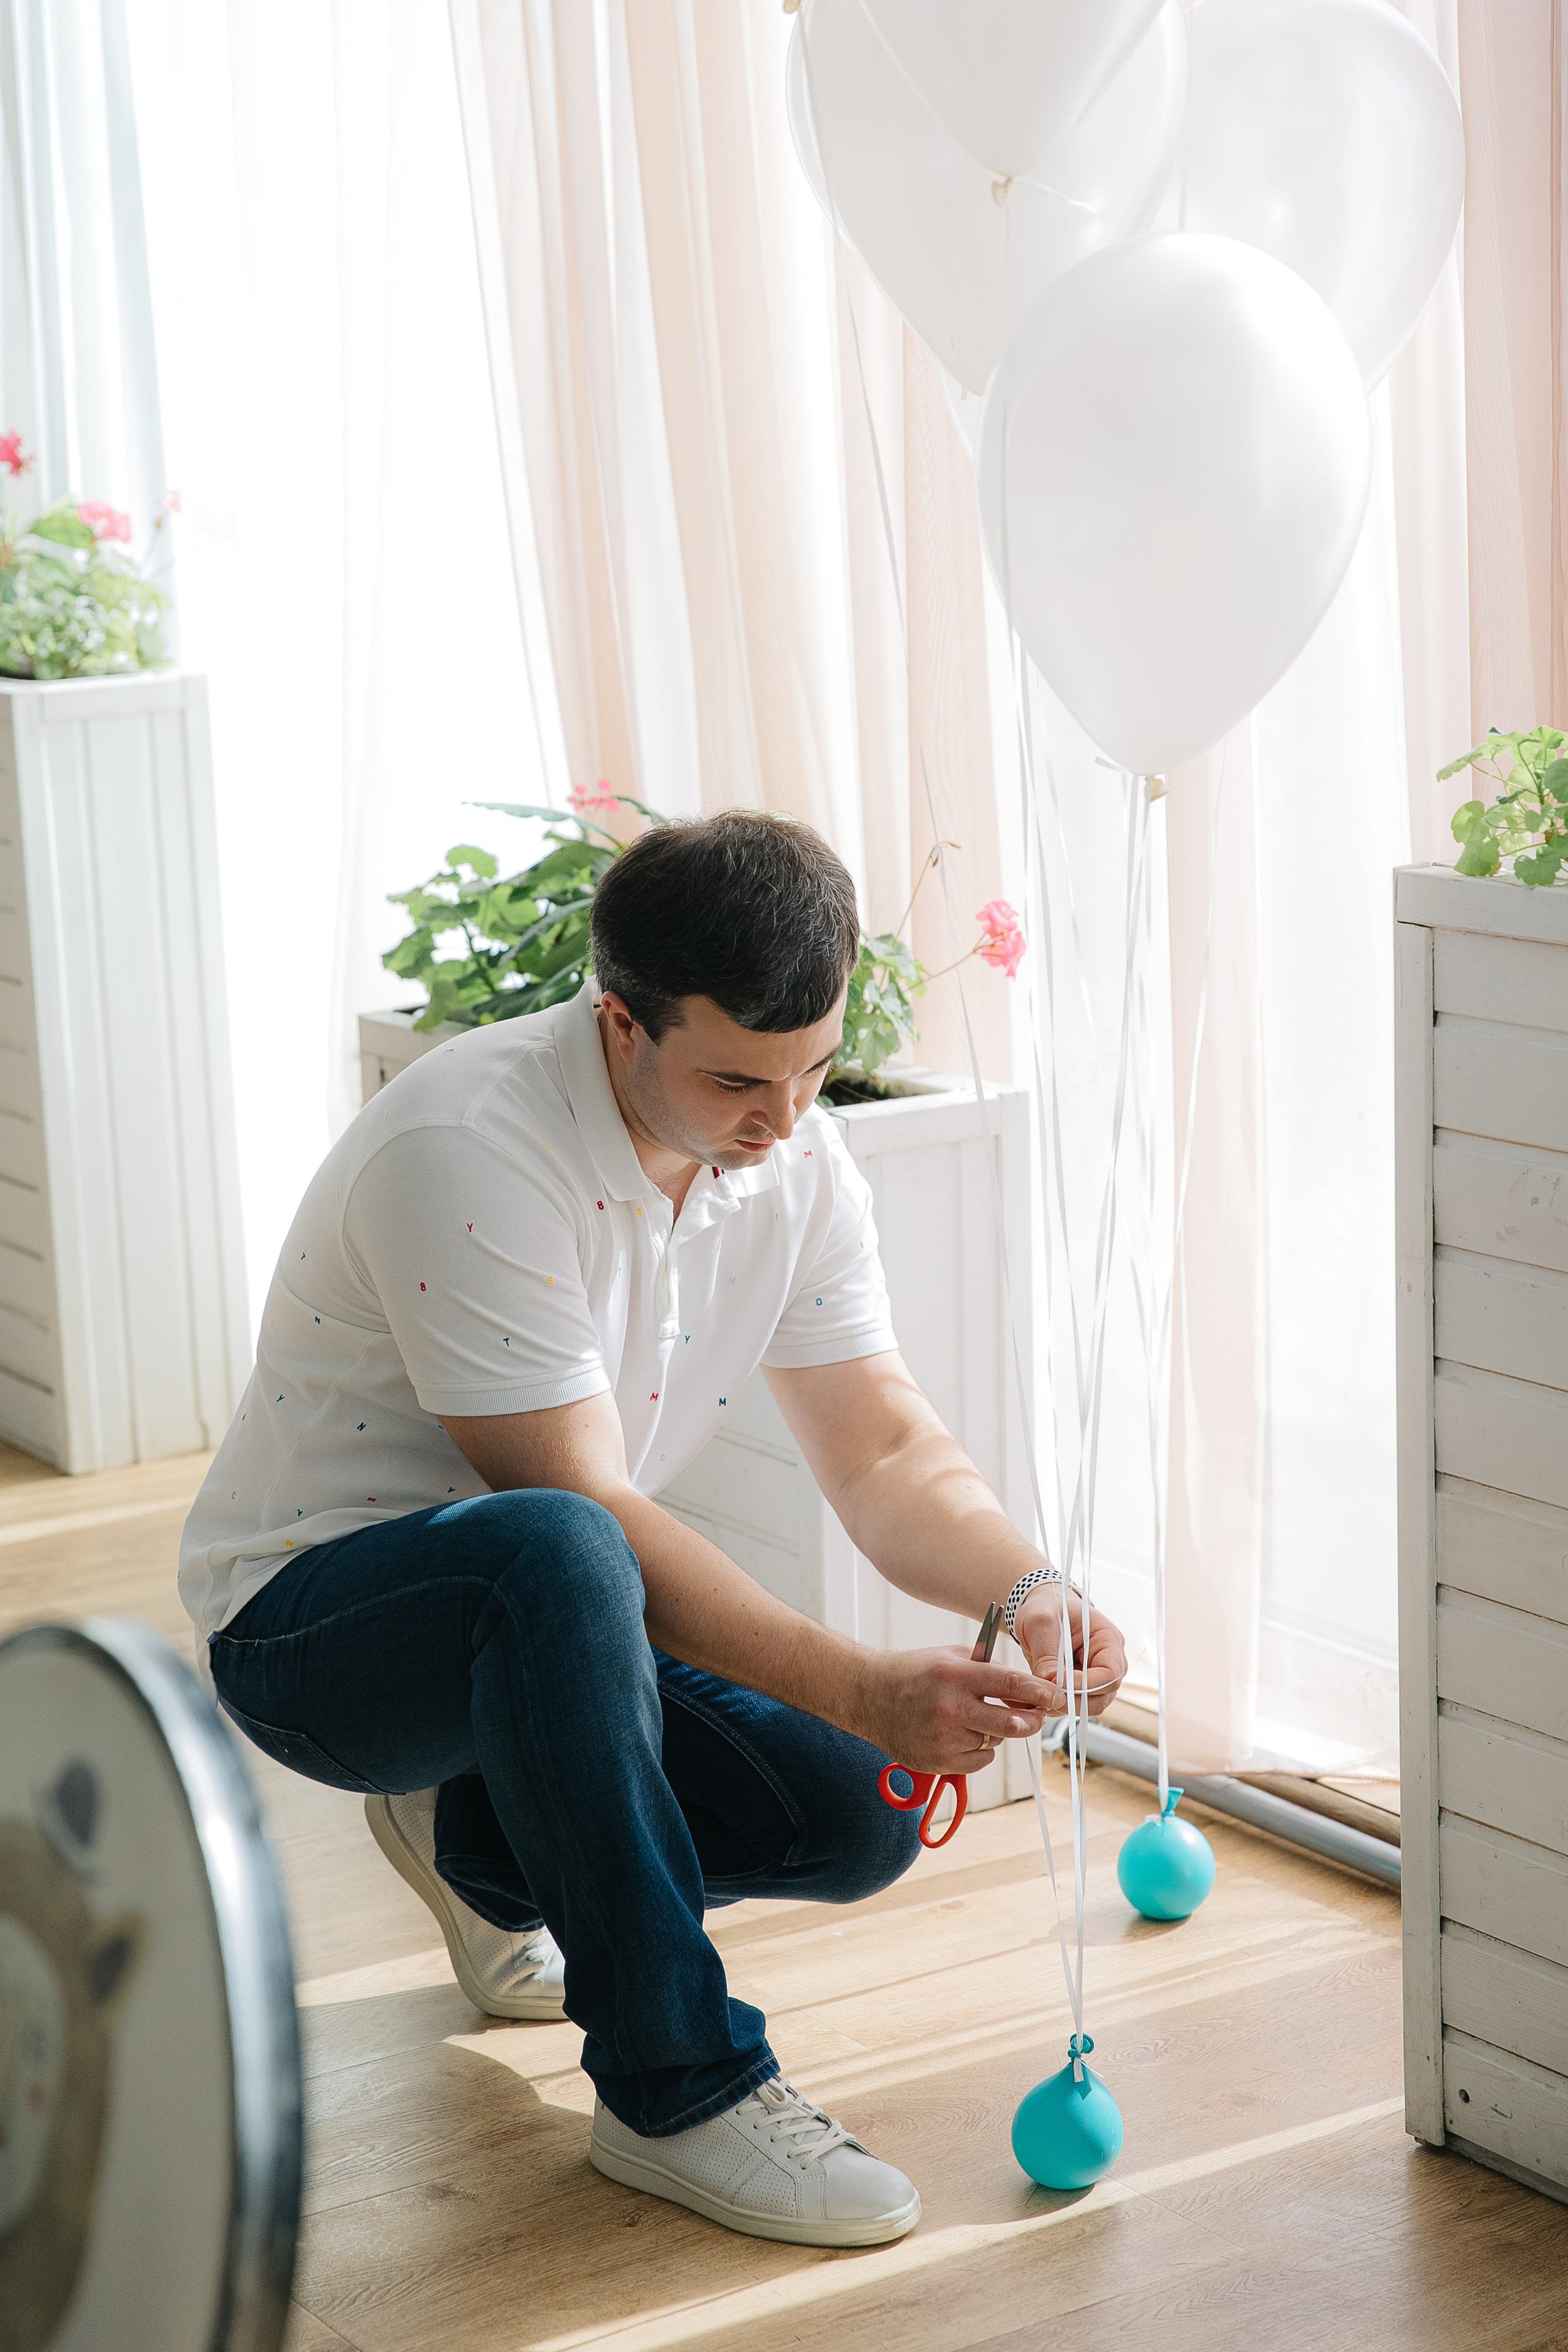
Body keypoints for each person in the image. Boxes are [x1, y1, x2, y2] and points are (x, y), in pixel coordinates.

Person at [180, 810, 1127, 2250]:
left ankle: (478, 1843)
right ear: (619, 1022)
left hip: (548, 1624)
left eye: (811, 1069)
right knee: (557, 1543)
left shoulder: (788, 1160)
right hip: (315, 1635)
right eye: (740, 1077)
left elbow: (877, 1444)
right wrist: (866, 1685)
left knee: (848, 1813)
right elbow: (586, 1513)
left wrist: (1025, 1585)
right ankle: (674, 2089)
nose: (786, 1118)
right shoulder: (468, 1148)